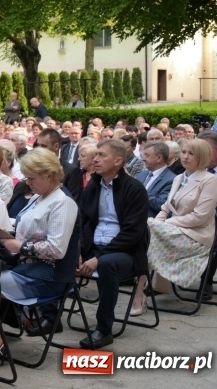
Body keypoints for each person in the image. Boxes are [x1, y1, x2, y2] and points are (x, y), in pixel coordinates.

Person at [0, 148, 80, 355]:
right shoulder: (41, 197)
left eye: (31, 178)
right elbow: (30, 227)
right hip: (27, 269)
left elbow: (57, 249)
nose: (27, 182)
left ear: (49, 175)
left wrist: (19, 246)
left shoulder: (63, 202)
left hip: (49, 278)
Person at [78, 140, 149, 349]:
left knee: (107, 264)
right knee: (61, 254)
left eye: (102, 155)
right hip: (95, 246)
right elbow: (83, 220)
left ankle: (104, 329)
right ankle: (48, 317)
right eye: (95, 154)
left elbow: (132, 234)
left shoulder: (134, 189)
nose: (95, 159)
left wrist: (97, 258)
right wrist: (79, 251)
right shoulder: (93, 184)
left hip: (124, 251)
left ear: (118, 161)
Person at [133, 139, 217, 314]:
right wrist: (159, 221)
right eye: (183, 152)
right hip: (175, 231)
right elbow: (166, 207)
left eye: (191, 153)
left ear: (201, 157)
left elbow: (200, 217)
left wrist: (164, 223)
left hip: (196, 236)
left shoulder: (209, 180)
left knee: (146, 232)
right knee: (146, 231)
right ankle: (139, 293)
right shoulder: (179, 178)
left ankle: (138, 294)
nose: (185, 157)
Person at [135, 142, 176, 218]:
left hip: (150, 222)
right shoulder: (142, 175)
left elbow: (161, 204)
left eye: (147, 155)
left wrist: (139, 192)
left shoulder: (172, 179)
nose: (143, 159)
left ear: (159, 158)